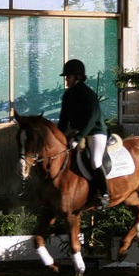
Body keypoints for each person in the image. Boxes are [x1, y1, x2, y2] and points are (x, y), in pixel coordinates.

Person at [57, 59, 110, 211]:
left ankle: (104, 194)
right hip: (77, 134)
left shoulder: (88, 94)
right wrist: (60, 138)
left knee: (94, 160)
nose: (66, 80)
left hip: (95, 132)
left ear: (77, 77)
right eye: (66, 77)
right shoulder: (67, 96)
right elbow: (63, 120)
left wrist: (79, 138)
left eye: (68, 77)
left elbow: (92, 118)